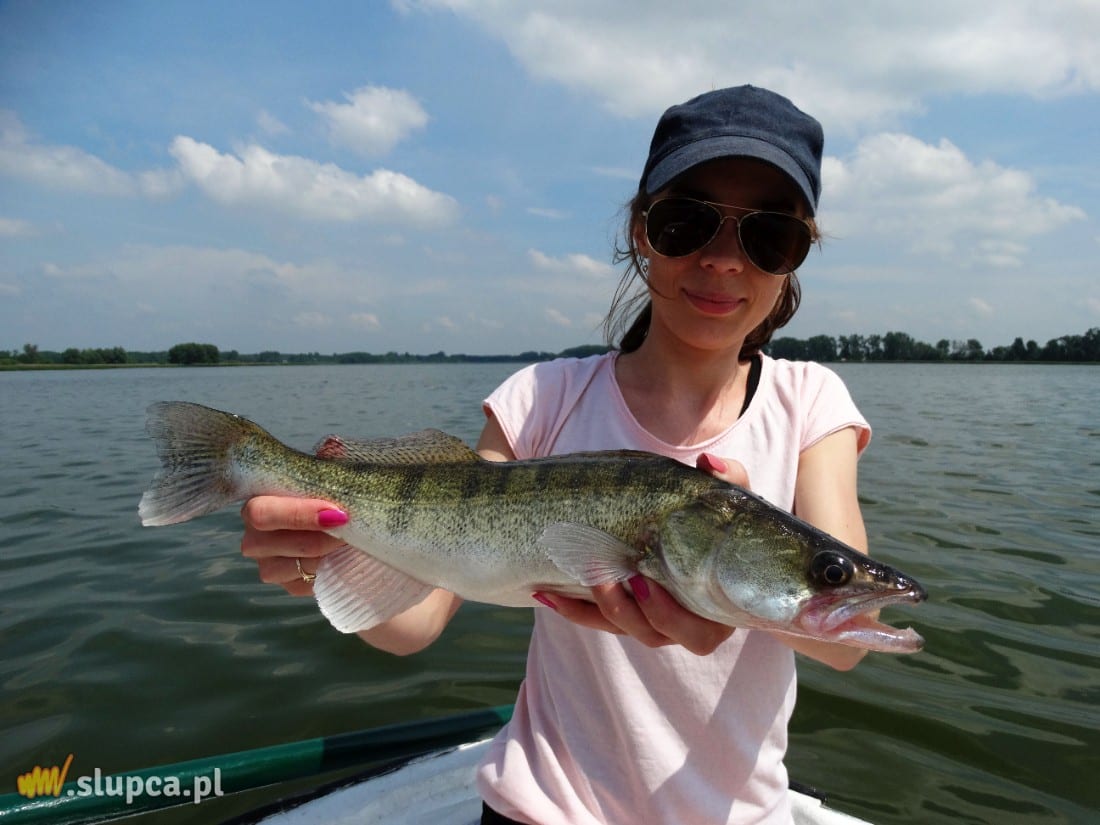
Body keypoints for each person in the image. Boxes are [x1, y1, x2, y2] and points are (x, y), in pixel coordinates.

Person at [240, 85, 872, 825]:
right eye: (687, 221)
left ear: (797, 257)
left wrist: (717, 559)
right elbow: (419, 617)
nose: (724, 260)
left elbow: (844, 641)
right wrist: (321, 558)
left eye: (770, 236)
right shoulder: (541, 398)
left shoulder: (811, 403)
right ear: (641, 230)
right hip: (542, 808)